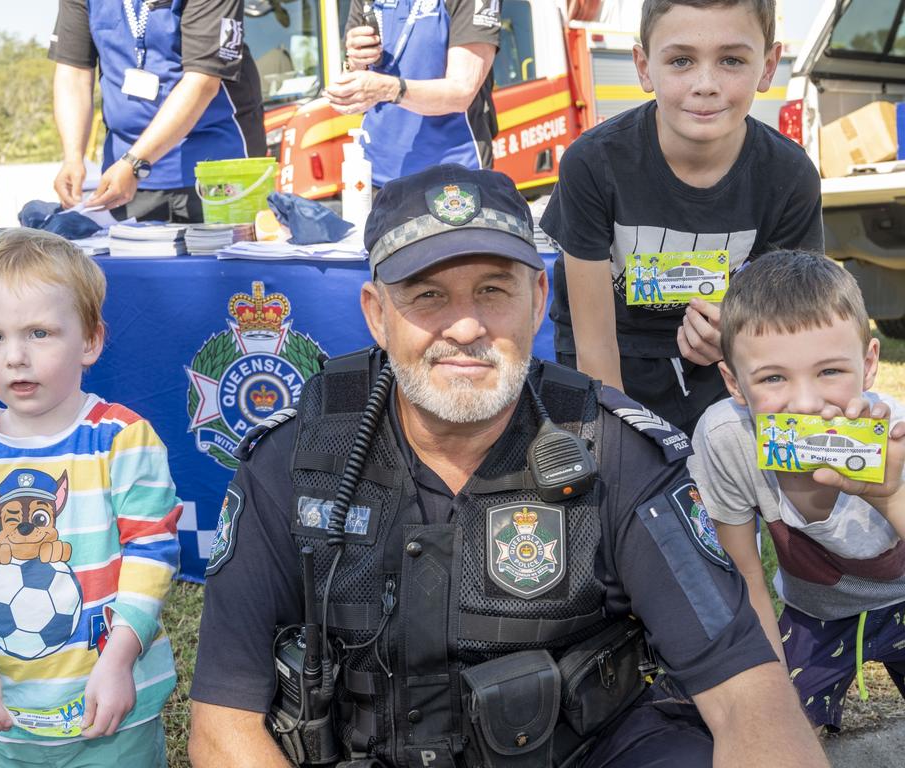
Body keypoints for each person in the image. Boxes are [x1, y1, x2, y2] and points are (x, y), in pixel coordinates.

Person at [186, 164, 827, 767]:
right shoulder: (294, 464)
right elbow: (224, 726)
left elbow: (748, 690)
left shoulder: (617, 452)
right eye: (428, 295)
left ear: (537, 298)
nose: (466, 326)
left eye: (493, 290)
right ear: (377, 315)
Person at [0, 229, 182, 766]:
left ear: (89, 341)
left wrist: (119, 657)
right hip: (0, 727)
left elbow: (152, 554)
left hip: (111, 715)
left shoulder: (122, 440)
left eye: (39, 332)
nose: (15, 357)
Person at [539, 0, 822, 436]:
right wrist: (622, 451)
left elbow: (789, 329)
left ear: (767, 67)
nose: (705, 84)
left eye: (731, 60)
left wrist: (736, 336)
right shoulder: (594, 164)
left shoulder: (788, 175)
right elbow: (593, 343)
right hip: (612, 357)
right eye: (681, 61)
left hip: (720, 367)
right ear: (644, 66)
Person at [688, 250, 905, 734]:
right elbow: (746, 577)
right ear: (734, 383)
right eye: (773, 378)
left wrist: (888, 496)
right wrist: (772, 693)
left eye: (829, 371)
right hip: (817, 616)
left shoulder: (895, 433)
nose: (806, 404)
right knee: (771, 730)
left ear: (869, 363)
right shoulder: (729, 438)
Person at [49, 0, 266, 223]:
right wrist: (74, 158)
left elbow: (202, 83)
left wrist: (135, 162)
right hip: (125, 178)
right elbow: (73, 74)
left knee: (224, 254)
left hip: (219, 167)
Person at [325, 0, 500, 187]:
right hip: (375, 175)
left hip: (453, 174)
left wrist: (386, 89)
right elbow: (356, 74)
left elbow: (462, 92)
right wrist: (355, 65)